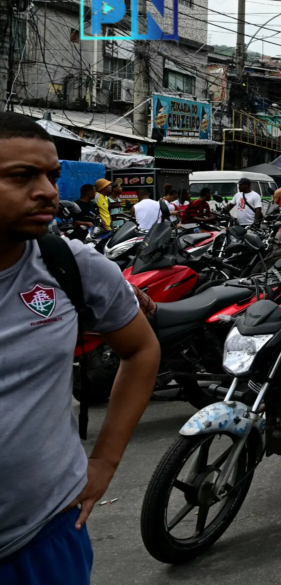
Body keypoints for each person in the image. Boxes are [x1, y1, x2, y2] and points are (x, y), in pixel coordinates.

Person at [0, 112, 160, 584]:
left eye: (51, 175)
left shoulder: (72, 266)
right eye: (22, 177)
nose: (48, 190)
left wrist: (105, 462)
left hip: (43, 537)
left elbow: (141, 350)